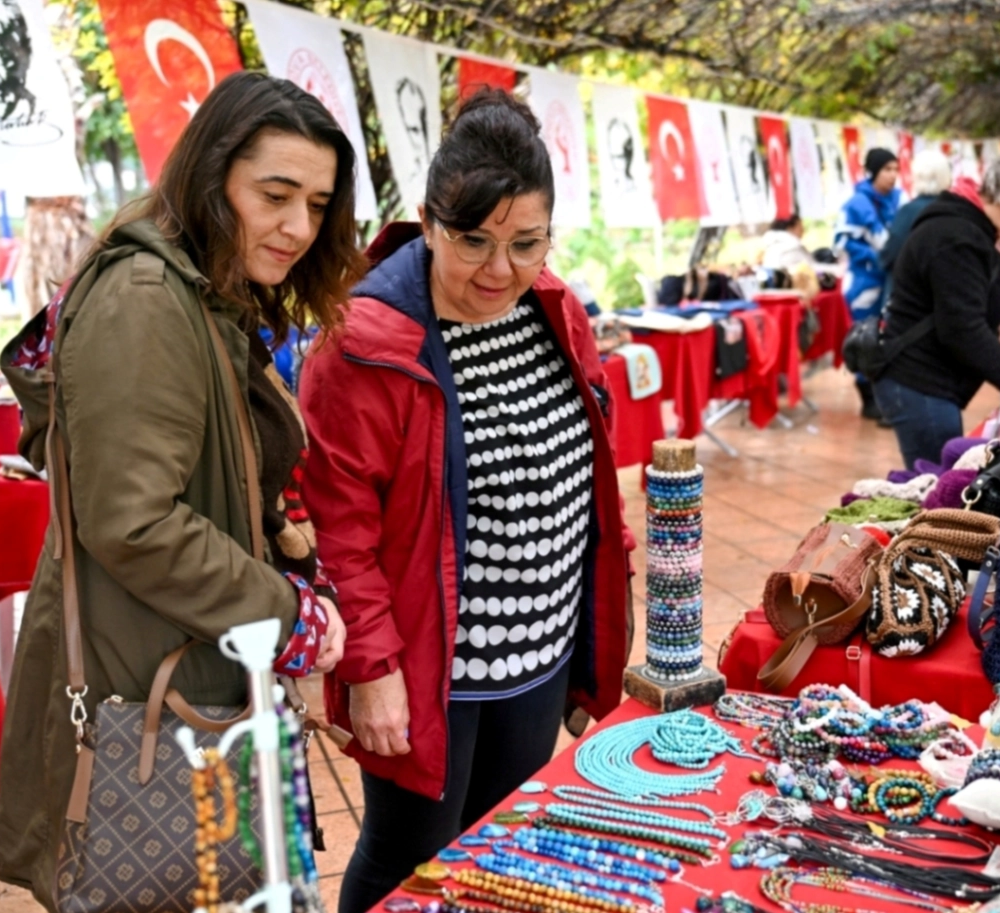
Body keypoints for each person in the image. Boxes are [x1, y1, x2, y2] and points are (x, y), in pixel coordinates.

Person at [0, 71, 362, 908]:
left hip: (189, 662)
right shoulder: (146, 297)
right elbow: (133, 520)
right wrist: (288, 614)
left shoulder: (202, 292)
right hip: (150, 687)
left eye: (316, 202)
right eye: (274, 194)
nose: (299, 227)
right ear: (211, 176)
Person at [298, 89, 635, 913]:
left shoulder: (553, 307)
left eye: (527, 243)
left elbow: (589, 471)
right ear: (428, 219)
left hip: (539, 651)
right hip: (428, 668)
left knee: (498, 843)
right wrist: (371, 670)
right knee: (408, 854)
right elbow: (342, 531)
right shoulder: (365, 342)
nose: (499, 270)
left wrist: (593, 637)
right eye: (473, 241)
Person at [872, 152, 1000, 470]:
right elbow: (963, 329)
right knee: (940, 488)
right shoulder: (957, 237)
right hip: (919, 381)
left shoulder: (969, 226)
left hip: (928, 380)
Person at [835, 147, 902, 418]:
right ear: (873, 172)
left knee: (888, 337)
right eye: (887, 169)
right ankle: (868, 399)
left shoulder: (899, 200)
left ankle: (885, 396)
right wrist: (874, 256)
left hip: (894, 281)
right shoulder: (856, 205)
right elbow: (840, 242)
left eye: (896, 169)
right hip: (865, 283)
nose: (893, 175)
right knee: (866, 339)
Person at [879, 150, 952, 298]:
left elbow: (890, 254)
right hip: (949, 293)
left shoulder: (908, 212)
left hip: (912, 297)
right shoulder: (955, 209)